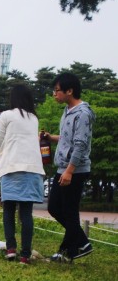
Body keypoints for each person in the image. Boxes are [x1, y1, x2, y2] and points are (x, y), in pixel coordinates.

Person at [45, 72, 96, 262]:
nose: (54, 94)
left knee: (68, 210)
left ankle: (71, 249)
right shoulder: (67, 110)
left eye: (57, 91)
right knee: (55, 207)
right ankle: (79, 244)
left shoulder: (82, 114)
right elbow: (68, 138)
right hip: (63, 167)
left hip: (75, 169)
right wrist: (52, 138)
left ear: (70, 90)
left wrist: (70, 171)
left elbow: (81, 144)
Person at [0, 84, 45, 264]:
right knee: (26, 213)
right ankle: (25, 254)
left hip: (11, 167)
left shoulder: (6, 115)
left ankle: (11, 249)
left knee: (8, 210)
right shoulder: (34, 118)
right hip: (32, 169)